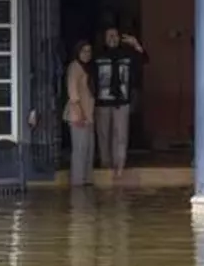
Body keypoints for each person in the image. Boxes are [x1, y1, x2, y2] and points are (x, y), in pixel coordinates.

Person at [93, 24, 148, 180]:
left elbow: (144, 60)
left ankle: (119, 168)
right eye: (109, 36)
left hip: (122, 102)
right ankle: (106, 166)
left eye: (115, 36)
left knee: (121, 136)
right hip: (102, 103)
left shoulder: (127, 55)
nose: (112, 39)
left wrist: (135, 43)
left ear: (120, 38)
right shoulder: (98, 55)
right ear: (104, 39)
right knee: (104, 136)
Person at [63, 41, 95, 187]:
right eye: (84, 51)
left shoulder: (87, 68)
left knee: (88, 148)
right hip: (78, 114)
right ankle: (77, 181)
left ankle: (86, 179)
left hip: (88, 114)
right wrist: (80, 113)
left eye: (89, 51)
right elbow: (73, 92)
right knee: (80, 149)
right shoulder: (74, 67)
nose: (87, 54)